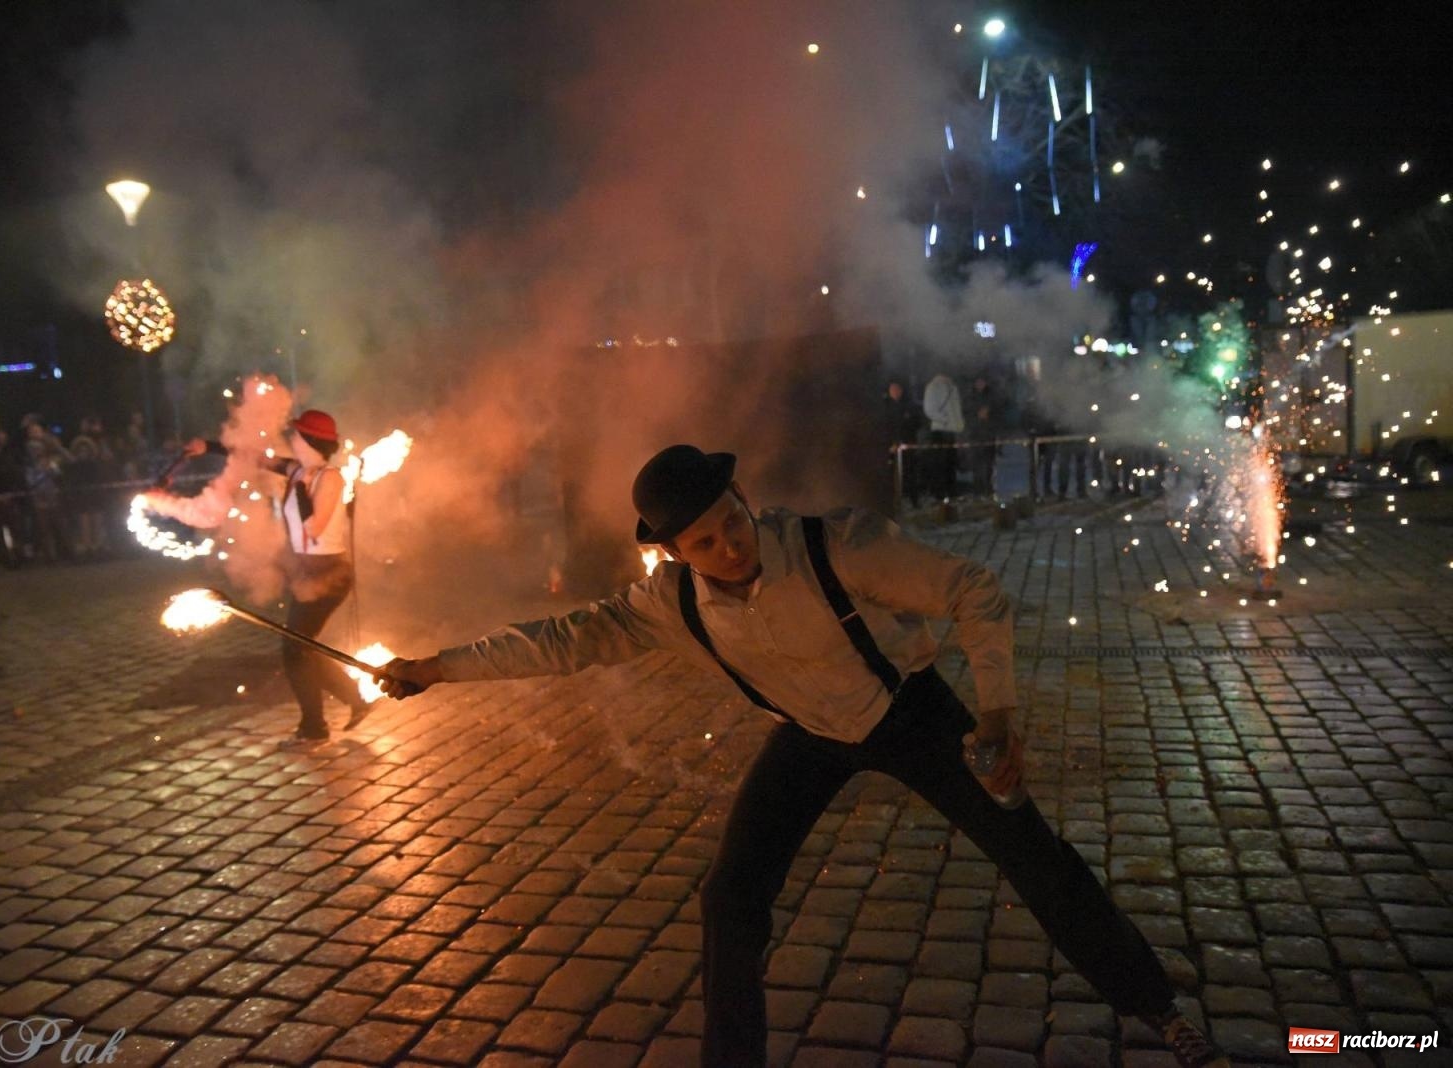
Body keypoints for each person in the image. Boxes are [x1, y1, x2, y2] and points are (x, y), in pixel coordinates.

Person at [375, 444, 1229, 1068]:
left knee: (1033, 856)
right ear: (670, 553)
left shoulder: (835, 545)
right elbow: (561, 641)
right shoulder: (668, 601)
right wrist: (434, 669)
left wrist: (998, 712)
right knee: (731, 895)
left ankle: (1158, 1010)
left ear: (746, 500)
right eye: (705, 543)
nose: (731, 548)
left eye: (733, 523)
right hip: (811, 737)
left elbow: (974, 588)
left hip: (913, 714)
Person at [182, 409, 374, 746]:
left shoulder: (330, 479)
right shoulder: (297, 470)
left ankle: (315, 727)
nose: (292, 440)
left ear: (310, 441)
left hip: (328, 573)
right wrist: (208, 446)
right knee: (304, 647)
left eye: (297, 435)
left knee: (295, 649)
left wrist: (299, 490)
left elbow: (314, 529)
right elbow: (255, 458)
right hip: (306, 570)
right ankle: (354, 701)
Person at [880, 377, 922, 507]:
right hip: (891, 447)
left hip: (908, 445)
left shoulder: (909, 406)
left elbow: (917, 423)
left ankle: (914, 500)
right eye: (893, 389)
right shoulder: (885, 407)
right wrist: (890, 443)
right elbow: (884, 427)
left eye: (898, 389)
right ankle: (892, 501)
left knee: (910, 473)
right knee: (891, 475)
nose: (895, 392)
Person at [922, 370, 964, 500]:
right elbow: (929, 409)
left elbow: (957, 407)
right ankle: (940, 493)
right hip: (941, 430)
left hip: (952, 430)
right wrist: (944, 419)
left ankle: (951, 491)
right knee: (940, 463)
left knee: (951, 463)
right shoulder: (933, 386)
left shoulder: (953, 387)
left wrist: (959, 424)